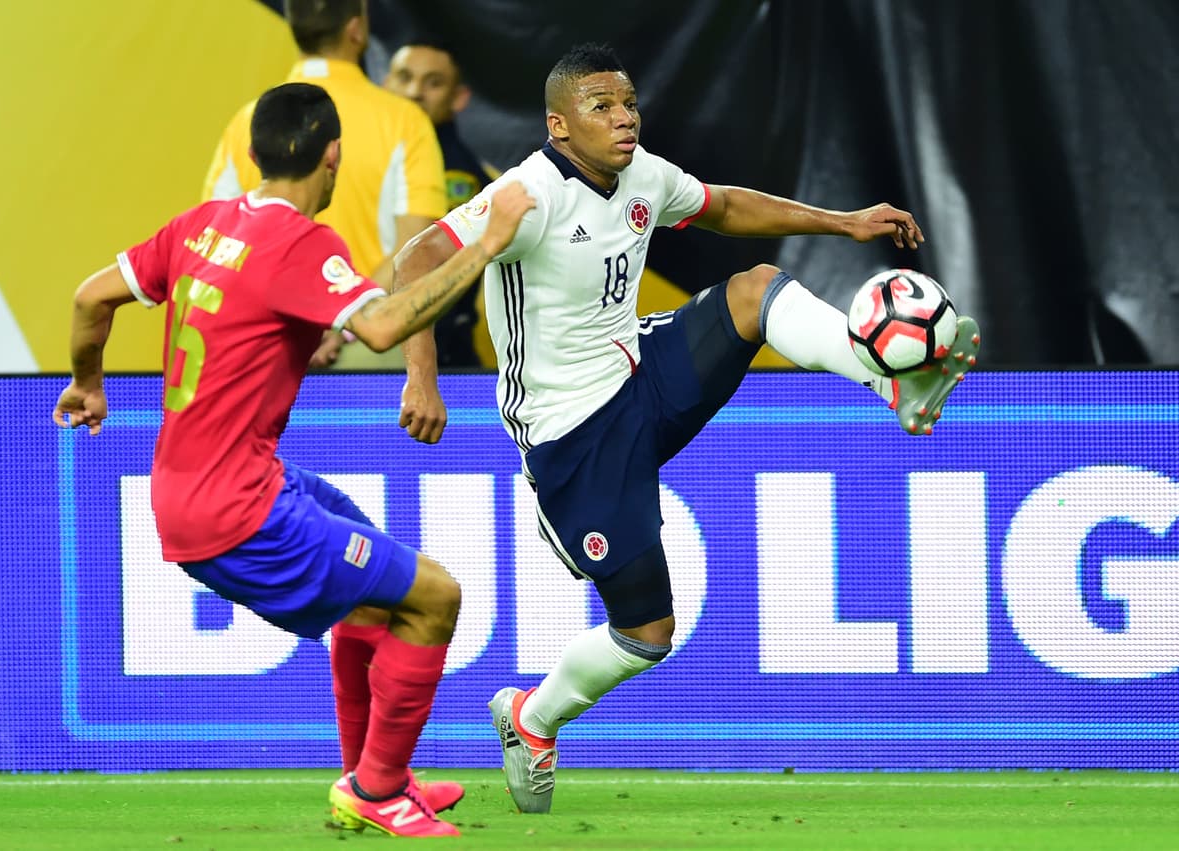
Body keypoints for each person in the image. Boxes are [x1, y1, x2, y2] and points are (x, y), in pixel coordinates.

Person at [391, 43, 981, 814]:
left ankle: (891, 379)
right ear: (559, 125)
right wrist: (421, 373)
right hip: (574, 435)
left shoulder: (640, 174)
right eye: (602, 106)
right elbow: (416, 258)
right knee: (646, 632)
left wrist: (843, 222)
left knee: (756, 291)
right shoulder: (526, 194)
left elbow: (724, 206)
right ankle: (533, 719)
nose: (625, 118)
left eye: (629, 102)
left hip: (642, 372)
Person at [53, 82, 535, 837]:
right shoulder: (303, 243)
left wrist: (87, 382)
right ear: (332, 155)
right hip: (237, 511)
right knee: (436, 598)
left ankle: (369, 775)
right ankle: (378, 791)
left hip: (195, 486)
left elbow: (91, 298)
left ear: (254, 153)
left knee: (373, 590)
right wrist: (487, 242)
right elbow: (383, 326)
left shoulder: (202, 225)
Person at [202, 0, 446, 370]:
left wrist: (292, 319)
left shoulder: (247, 121)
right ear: (355, 30)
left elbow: (219, 245)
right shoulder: (405, 121)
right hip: (364, 346)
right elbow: (415, 248)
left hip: (265, 345)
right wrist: (342, 320)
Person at [384, 38, 495, 368]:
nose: (414, 92)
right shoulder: (358, 152)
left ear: (459, 97)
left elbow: (431, 269)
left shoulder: (461, 175)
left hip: (438, 354)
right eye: (404, 77)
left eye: (433, 83)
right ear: (385, 83)